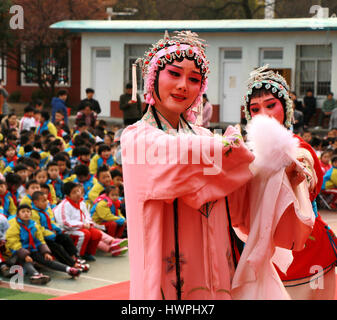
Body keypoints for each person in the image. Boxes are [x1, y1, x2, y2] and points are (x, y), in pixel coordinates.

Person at [121, 31, 309, 300]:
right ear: (152, 79)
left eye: (194, 79)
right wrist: (232, 150)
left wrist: (278, 173)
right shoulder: (137, 139)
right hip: (167, 272)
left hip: (216, 270)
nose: (184, 85)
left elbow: (239, 192)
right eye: (174, 74)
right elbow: (180, 160)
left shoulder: (207, 138)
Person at [242, 65, 337, 300]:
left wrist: (295, 171)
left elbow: (303, 167)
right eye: (255, 109)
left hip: (306, 250)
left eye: (271, 105)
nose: (264, 113)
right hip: (263, 247)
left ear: (286, 107)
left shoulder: (299, 148)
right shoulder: (244, 153)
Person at [5, 204, 81, 285]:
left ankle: (69, 269)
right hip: (16, 252)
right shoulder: (14, 226)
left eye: (28, 211)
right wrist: (25, 255)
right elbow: (13, 242)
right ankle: (36, 275)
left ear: (31, 214)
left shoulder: (34, 225)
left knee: (47, 260)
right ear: (18, 214)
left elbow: (40, 240)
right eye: (23, 212)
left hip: (31, 250)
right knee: (25, 260)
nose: (26, 213)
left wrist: (46, 252)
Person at [31, 191, 89, 272]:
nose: (46, 202)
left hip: (52, 233)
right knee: (56, 247)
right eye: (43, 201)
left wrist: (56, 229)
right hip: (42, 238)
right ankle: (72, 264)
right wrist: (51, 234)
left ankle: (74, 257)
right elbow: (38, 229)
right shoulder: (33, 213)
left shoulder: (47, 210)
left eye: (47, 200)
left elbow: (52, 221)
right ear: (35, 202)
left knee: (65, 238)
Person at [54, 182, 102, 262]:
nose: (78, 194)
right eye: (74, 192)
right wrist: (82, 225)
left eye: (78, 191)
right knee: (83, 234)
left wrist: (88, 223)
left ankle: (88, 253)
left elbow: (87, 216)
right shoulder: (65, 205)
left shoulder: (81, 203)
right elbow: (65, 223)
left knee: (97, 234)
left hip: (80, 227)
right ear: (68, 195)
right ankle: (77, 255)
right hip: (67, 230)